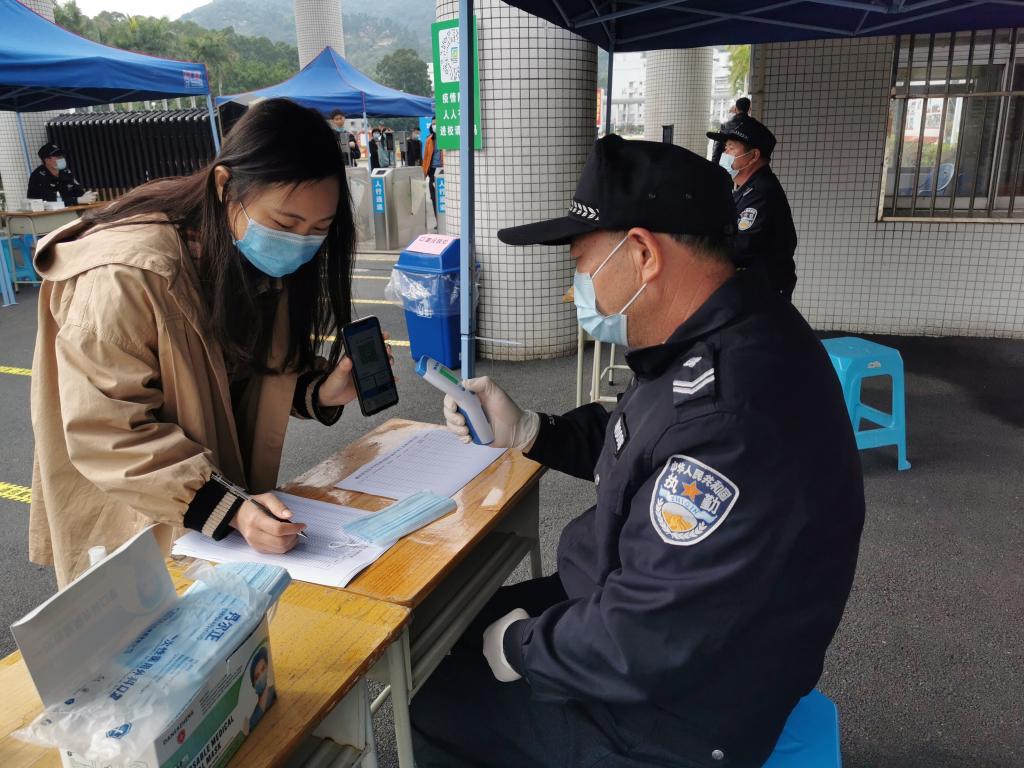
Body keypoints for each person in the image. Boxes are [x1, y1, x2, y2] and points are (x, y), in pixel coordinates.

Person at [412, 135, 865, 767]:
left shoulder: (727, 412)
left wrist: (523, 648)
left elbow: (647, 634)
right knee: (441, 637)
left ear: (644, 254)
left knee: (431, 699)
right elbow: (641, 437)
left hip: (681, 712)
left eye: (582, 262)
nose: (576, 287)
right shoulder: (731, 330)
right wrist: (531, 431)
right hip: (670, 626)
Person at [29, 98, 380, 588]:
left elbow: (239, 371)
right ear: (224, 186)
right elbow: (108, 431)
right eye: (285, 224)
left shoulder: (242, 252)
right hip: (135, 516)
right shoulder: (125, 275)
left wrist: (319, 391)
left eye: (319, 230)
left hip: (208, 511)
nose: (300, 243)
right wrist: (230, 509)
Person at [707, 114, 799, 301]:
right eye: (725, 147)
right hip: (753, 289)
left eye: (731, 148)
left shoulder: (762, 192)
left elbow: (741, 247)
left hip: (764, 293)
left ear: (754, 156)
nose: (724, 154)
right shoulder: (746, 188)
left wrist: (700, 249)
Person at [710, 97, 751, 165]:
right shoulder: (755, 127)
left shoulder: (726, 126)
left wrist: (714, 165)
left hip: (728, 162)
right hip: (747, 163)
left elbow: (718, 148)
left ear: (736, 109)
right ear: (749, 109)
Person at [421, 119, 442, 221]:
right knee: (434, 197)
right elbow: (426, 157)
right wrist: (424, 173)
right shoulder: (429, 140)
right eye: (433, 124)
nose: (434, 126)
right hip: (432, 171)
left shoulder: (446, 138)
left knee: (443, 196)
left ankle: (445, 220)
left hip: (443, 170)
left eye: (436, 124)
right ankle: (438, 221)